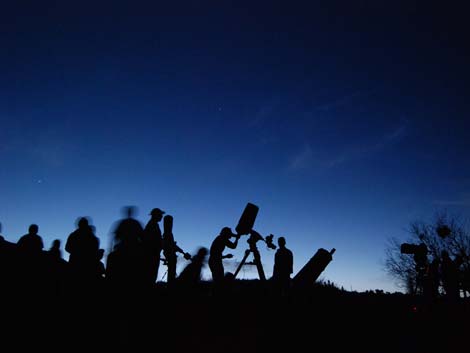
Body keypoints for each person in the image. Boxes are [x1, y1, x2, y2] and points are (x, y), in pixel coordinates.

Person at [162, 215, 191, 285]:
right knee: (172, 272)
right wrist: (179, 250)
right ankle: (171, 286)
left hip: (170, 255)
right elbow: (170, 245)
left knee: (172, 272)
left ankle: (171, 284)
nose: (171, 224)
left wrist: (179, 250)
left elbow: (171, 245)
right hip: (170, 255)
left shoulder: (168, 233)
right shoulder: (167, 234)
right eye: (170, 222)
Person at [141, 208, 164, 284]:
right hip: (151, 256)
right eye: (160, 215)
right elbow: (152, 241)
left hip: (152, 254)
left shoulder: (153, 225)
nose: (161, 217)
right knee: (150, 276)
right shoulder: (152, 225)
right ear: (156, 215)